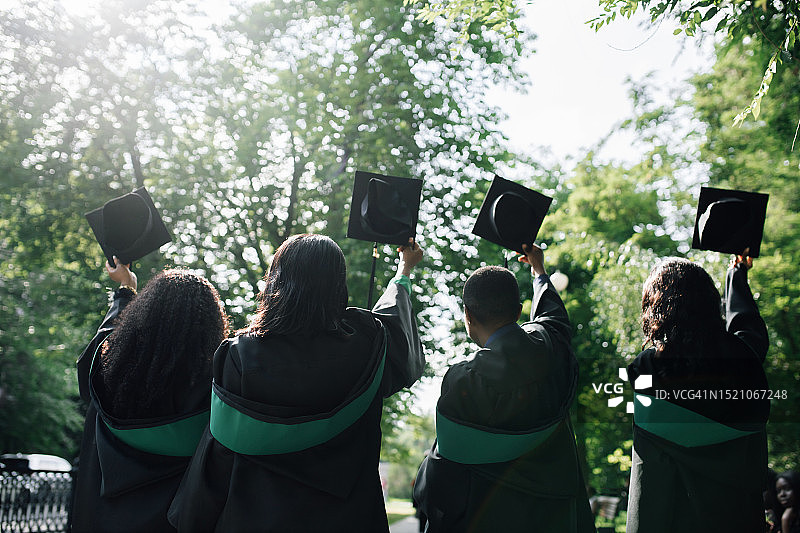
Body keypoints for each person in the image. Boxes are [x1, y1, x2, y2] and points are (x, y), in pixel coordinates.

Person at [168, 234, 425, 533]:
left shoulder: (239, 356)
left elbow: (218, 455)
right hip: (345, 520)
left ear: (276, 280)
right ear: (336, 286)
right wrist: (402, 273)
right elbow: (394, 327)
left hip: (253, 519)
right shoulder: (367, 348)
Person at [413, 243, 594, 532]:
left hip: (487, 519)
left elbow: (443, 477)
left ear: (467, 314)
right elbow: (553, 317)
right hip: (555, 516)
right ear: (519, 310)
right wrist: (539, 271)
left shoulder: (464, 380)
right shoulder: (552, 348)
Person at [71, 258, 229, 533]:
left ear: (142, 316)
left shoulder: (107, 373)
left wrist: (125, 290)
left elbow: (108, 336)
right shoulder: (213, 392)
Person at [625, 253, 770, 533]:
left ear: (657, 306)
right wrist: (736, 273)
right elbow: (748, 326)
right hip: (736, 514)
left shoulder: (645, 368)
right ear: (709, 303)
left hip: (674, 513)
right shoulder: (744, 356)